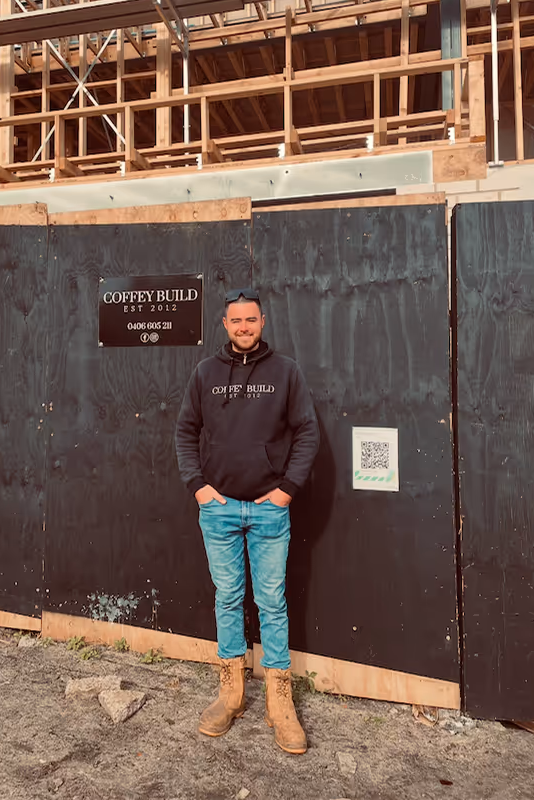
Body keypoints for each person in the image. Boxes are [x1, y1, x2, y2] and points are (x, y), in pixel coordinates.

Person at [175, 288, 319, 755]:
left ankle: (280, 703)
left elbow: (307, 433)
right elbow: (184, 432)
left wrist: (285, 491)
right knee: (229, 597)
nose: (243, 327)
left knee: (272, 600)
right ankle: (231, 692)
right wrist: (199, 487)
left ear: (262, 322)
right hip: (218, 510)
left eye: (250, 320)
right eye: (235, 321)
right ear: (224, 324)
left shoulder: (286, 372)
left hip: (267, 510)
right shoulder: (205, 373)